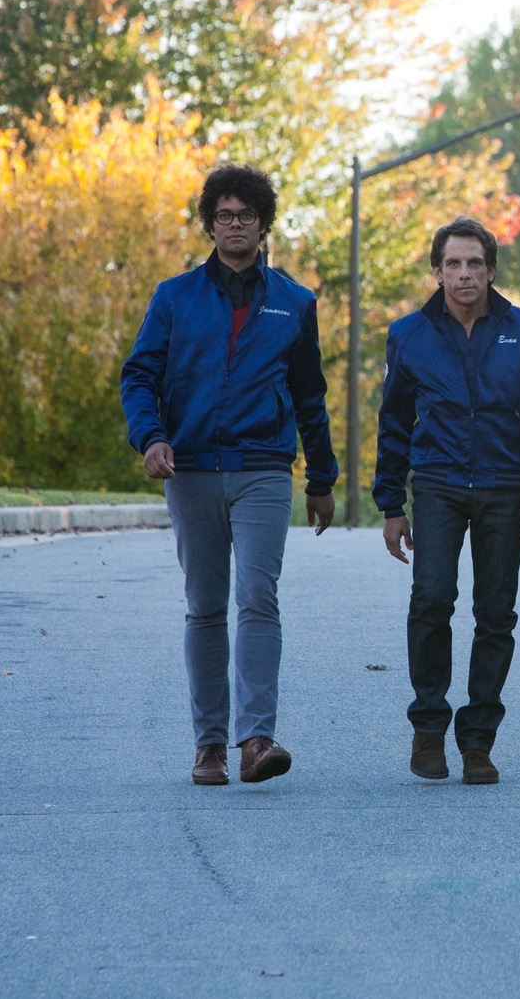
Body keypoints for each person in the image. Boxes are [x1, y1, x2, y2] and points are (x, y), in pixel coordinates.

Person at [121, 164, 338, 787]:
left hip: (263, 471)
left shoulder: (293, 303)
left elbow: (309, 395)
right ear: (209, 224)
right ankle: (209, 746)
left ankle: (256, 740)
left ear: (263, 224)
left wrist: (321, 479)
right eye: (223, 216)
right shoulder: (175, 297)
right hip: (188, 469)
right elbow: (139, 376)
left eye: (245, 215)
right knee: (204, 607)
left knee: (258, 598)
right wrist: (151, 437)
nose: (234, 225)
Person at [374, 217, 520, 785]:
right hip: (435, 482)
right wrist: (391, 504)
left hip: (506, 485)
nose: (464, 274)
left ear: (491, 271)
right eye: (453, 264)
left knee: (496, 614)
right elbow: (394, 422)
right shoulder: (409, 334)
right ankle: (429, 726)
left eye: (475, 264)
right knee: (432, 598)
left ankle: (478, 739)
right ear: (436, 272)